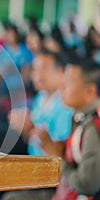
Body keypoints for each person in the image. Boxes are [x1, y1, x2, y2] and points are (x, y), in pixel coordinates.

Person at [1, 50, 74, 200]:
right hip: (35, 166)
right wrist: (25, 128)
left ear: (61, 72)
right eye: (35, 69)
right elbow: (31, 139)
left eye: (44, 69)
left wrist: (33, 127)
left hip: (51, 176)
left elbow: (60, 150)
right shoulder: (41, 98)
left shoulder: (66, 103)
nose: (36, 75)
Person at [49, 59, 100, 199]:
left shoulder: (92, 127)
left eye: (69, 82)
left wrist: (58, 157)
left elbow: (88, 185)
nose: (62, 88)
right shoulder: (81, 118)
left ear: (90, 91)